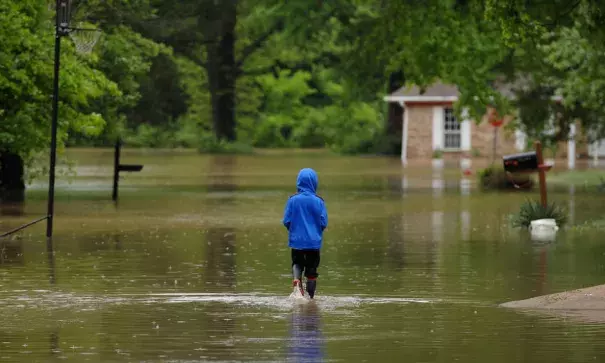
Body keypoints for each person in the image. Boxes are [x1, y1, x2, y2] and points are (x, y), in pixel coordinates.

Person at [282, 168, 328, 299]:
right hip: (314, 243)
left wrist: (294, 230)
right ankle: (310, 299)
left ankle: (297, 280)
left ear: (299, 182)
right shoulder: (319, 201)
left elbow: (286, 221)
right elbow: (323, 222)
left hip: (297, 242)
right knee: (312, 271)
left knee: (297, 263)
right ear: (314, 183)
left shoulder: (292, 200)